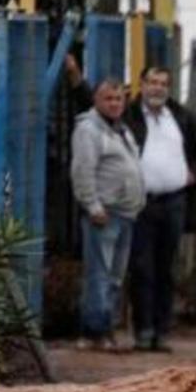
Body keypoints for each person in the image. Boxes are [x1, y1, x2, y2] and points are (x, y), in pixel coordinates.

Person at [123, 66, 196, 352]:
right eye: (152, 82)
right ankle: (143, 330)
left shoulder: (180, 115)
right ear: (142, 84)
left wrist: (195, 172)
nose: (157, 88)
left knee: (166, 269)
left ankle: (161, 331)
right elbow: (98, 110)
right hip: (142, 203)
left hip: (174, 201)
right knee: (141, 268)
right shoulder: (130, 114)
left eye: (163, 83)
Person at [70, 78, 145, 349]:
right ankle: (93, 332)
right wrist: (92, 205)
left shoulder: (121, 129)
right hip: (105, 213)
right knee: (99, 275)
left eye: (118, 99)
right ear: (96, 101)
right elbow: (83, 170)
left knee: (114, 277)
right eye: (108, 99)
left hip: (125, 213)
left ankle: (105, 329)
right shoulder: (89, 130)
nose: (114, 104)